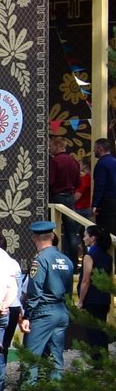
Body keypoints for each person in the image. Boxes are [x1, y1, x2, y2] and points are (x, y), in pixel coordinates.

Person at [78, 226, 113, 356]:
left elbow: (86, 280)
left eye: (86, 235)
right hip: (104, 297)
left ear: (93, 238)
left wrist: (81, 301)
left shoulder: (89, 255)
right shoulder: (108, 256)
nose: (83, 238)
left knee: (93, 332)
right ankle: (103, 357)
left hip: (92, 298)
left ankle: (97, 361)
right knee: (101, 329)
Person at [50, 138, 85, 258]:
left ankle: (54, 258)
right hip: (70, 197)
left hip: (57, 197)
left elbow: (50, 181)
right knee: (72, 232)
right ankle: (74, 263)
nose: (50, 148)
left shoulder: (55, 161)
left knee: (53, 230)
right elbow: (78, 182)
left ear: (57, 146)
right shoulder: (73, 161)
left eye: (51, 145)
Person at [94, 138, 116, 235]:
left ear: (100, 148)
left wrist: (95, 204)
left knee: (105, 229)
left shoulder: (101, 164)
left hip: (106, 202)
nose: (94, 150)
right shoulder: (114, 161)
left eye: (95, 148)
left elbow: (100, 185)